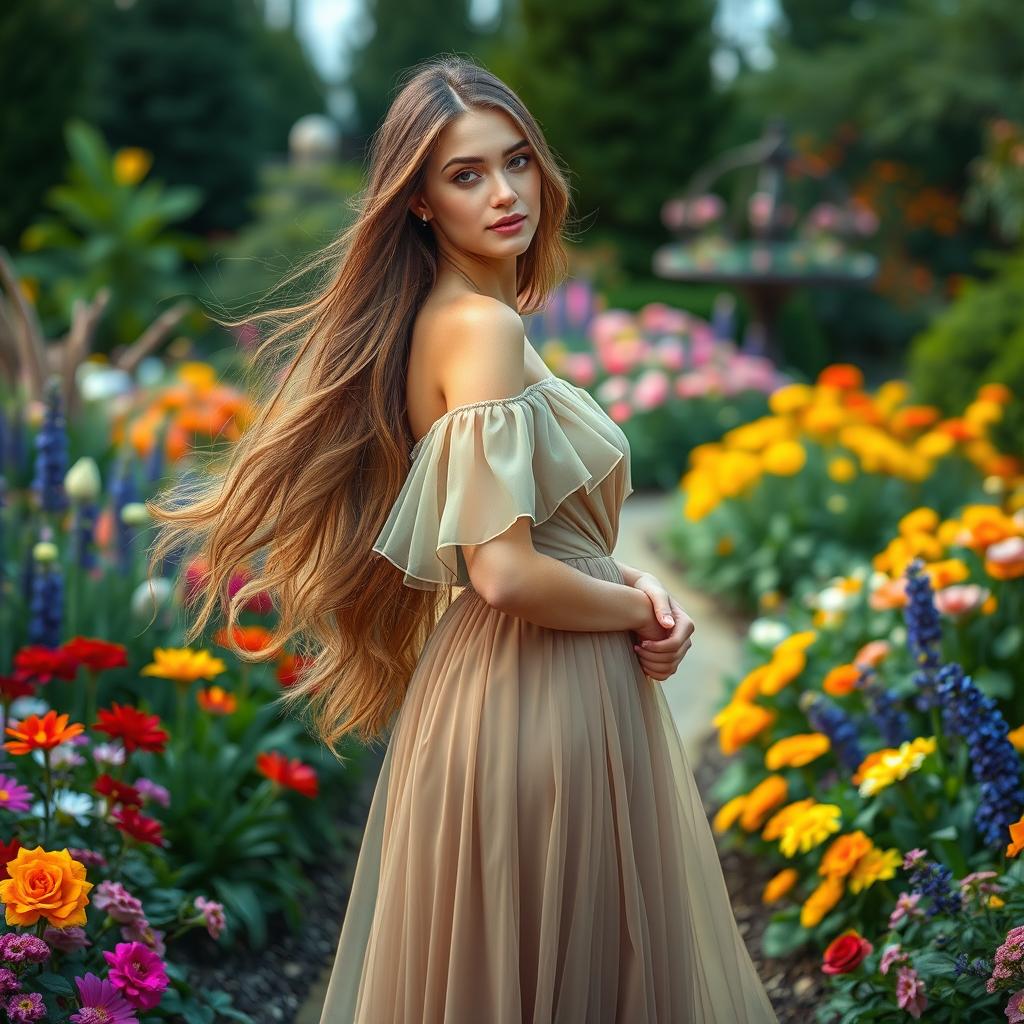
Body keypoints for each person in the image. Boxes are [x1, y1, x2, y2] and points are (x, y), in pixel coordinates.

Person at [147, 54, 778, 1024]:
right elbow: (506, 573)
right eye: (465, 174)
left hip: (502, 693)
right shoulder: (478, 330)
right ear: (419, 203)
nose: (504, 192)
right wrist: (643, 602)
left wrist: (619, 586)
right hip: (541, 693)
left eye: (516, 161)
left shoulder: (444, 321)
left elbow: (519, 548)